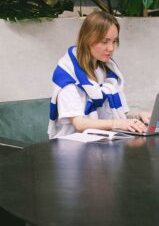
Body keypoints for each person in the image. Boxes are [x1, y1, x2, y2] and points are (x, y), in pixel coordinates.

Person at [48, 10, 150, 139]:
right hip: (72, 148)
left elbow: (119, 114)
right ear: (88, 39)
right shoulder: (66, 75)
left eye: (114, 41)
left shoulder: (108, 72)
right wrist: (119, 124)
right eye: (105, 42)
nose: (111, 48)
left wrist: (137, 116)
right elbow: (79, 124)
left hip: (102, 144)